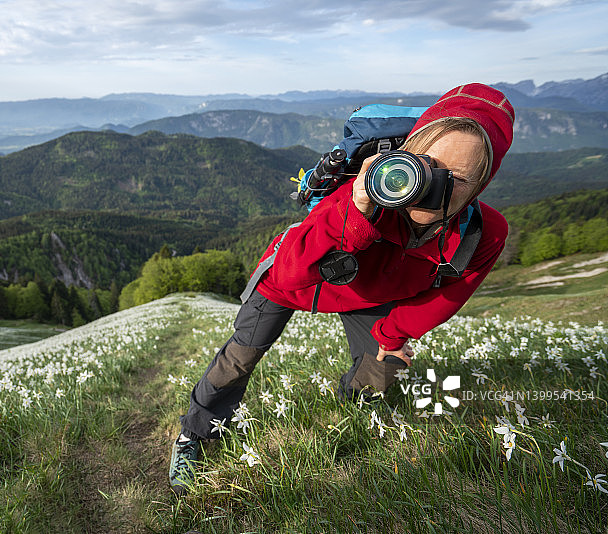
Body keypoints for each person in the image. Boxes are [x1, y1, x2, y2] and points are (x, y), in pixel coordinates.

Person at [168, 83, 515, 495]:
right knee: (240, 356)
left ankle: (357, 413)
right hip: (290, 283)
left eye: (457, 178)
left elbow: (447, 296)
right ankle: (196, 434)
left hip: (369, 294)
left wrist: (393, 335)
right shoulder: (363, 191)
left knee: (387, 364)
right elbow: (293, 274)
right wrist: (359, 208)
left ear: (481, 185)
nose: (434, 184)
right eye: (425, 164)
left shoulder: (483, 232)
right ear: (406, 156)